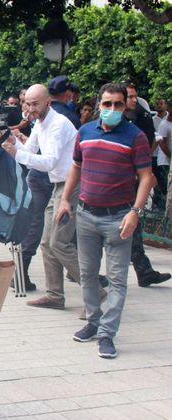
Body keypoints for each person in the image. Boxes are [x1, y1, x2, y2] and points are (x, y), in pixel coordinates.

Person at [59, 83, 155, 359]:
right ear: (98, 104)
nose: (112, 109)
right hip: (87, 214)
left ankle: (107, 333)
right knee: (87, 275)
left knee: (117, 280)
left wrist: (135, 212)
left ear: (126, 107)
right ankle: (93, 320)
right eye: (107, 104)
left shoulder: (134, 137)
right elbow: (76, 166)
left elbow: (146, 176)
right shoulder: (85, 132)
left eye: (118, 104)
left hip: (118, 217)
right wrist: (66, 200)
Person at [1, 84, 83, 310]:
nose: (30, 108)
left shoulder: (58, 124)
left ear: (48, 102)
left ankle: (94, 290)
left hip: (71, 185)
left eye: (35, 103)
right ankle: (55, 295)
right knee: (47, 244)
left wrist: (16, 152)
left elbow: (48, 162)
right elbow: (30, 151)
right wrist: (11, 139)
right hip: (57, 184)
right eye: (27, 103)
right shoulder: (40, 123)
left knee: (59, 243)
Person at [123, 83, 171, 287]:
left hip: (132, 181)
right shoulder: (117, 125)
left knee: (133, 225)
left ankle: (144, 271)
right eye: (130, 97)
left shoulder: (138, 118)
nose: (135, 100)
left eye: (135, 96)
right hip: (115, 185)